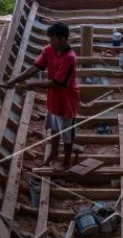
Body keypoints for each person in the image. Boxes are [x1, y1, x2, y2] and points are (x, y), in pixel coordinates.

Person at [6, 22, 79, 170]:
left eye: (53, 39)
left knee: (66, 131)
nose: (50, 42)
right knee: (54, 126)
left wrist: (32, 86)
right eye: (50, 39)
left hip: (67, 99)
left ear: (63, 39)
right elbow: (35, 68)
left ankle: (66, 161)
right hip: (54, 98)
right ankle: (53, 153)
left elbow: (59, 83)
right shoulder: (49, 50)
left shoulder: (69, 58)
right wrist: (14, 80)